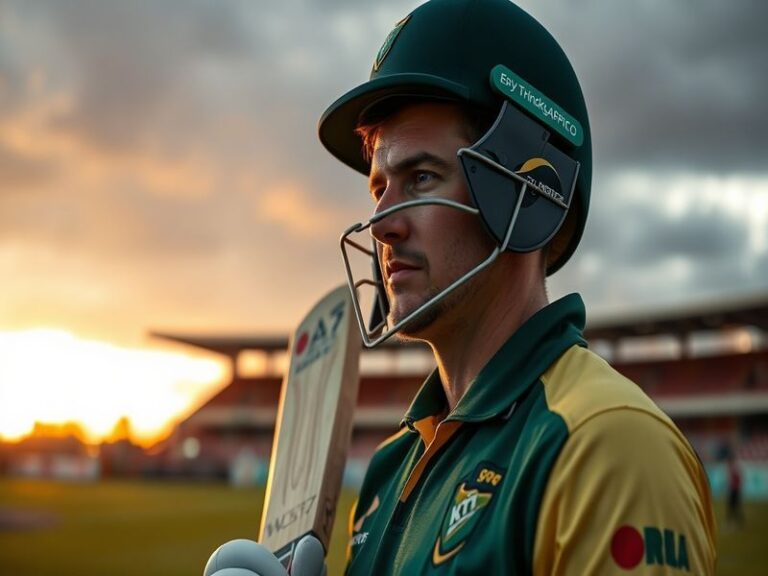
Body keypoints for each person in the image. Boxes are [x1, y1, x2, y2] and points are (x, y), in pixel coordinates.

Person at [205, 0, 717, 574]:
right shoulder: (391, 467)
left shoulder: (609, 446)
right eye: (379, 188)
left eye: (421, 177)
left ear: (524, 195)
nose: (381, 223)